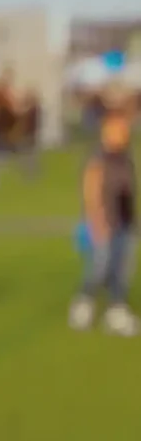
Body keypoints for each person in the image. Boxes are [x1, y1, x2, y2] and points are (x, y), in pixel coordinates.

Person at [70, 107, 137, 337]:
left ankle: (116, 311)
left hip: (125, 222)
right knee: (98, 268)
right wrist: (96, 220)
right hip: (104, 221)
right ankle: (83, 305)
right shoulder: (98, 159)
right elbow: (91, 189)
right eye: (117, 131)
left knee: (121, 269)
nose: (122, 134)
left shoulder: (125, 158)